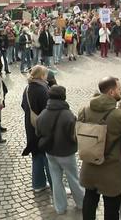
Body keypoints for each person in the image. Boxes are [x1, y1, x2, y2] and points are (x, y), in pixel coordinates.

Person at [79, 77, 121, 219]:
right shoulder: (118, 115)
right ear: (111, 92)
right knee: (111, 210)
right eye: (119, 89)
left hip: (89, 166)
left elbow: (75, 135)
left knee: (89, 202)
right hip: (110, 172)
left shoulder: (83, 110)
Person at [35, 85, 84, 214]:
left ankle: (60, 207)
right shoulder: (68, 115)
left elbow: (38, 131)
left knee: (56, 180)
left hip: (50, 153)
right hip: (66, 153)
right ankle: (81, 203)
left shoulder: (43, 114)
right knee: (73, 178)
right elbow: (74, 135)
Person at [21, 65, 53, 192]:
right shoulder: (43, 89)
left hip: (30, 125)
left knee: (36, 154)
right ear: (42, 75)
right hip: (43, 127)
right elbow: (48, 109)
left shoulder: (28, 88)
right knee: (48, 157)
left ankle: (38, 184)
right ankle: (54, 184)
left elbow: (23, 105)